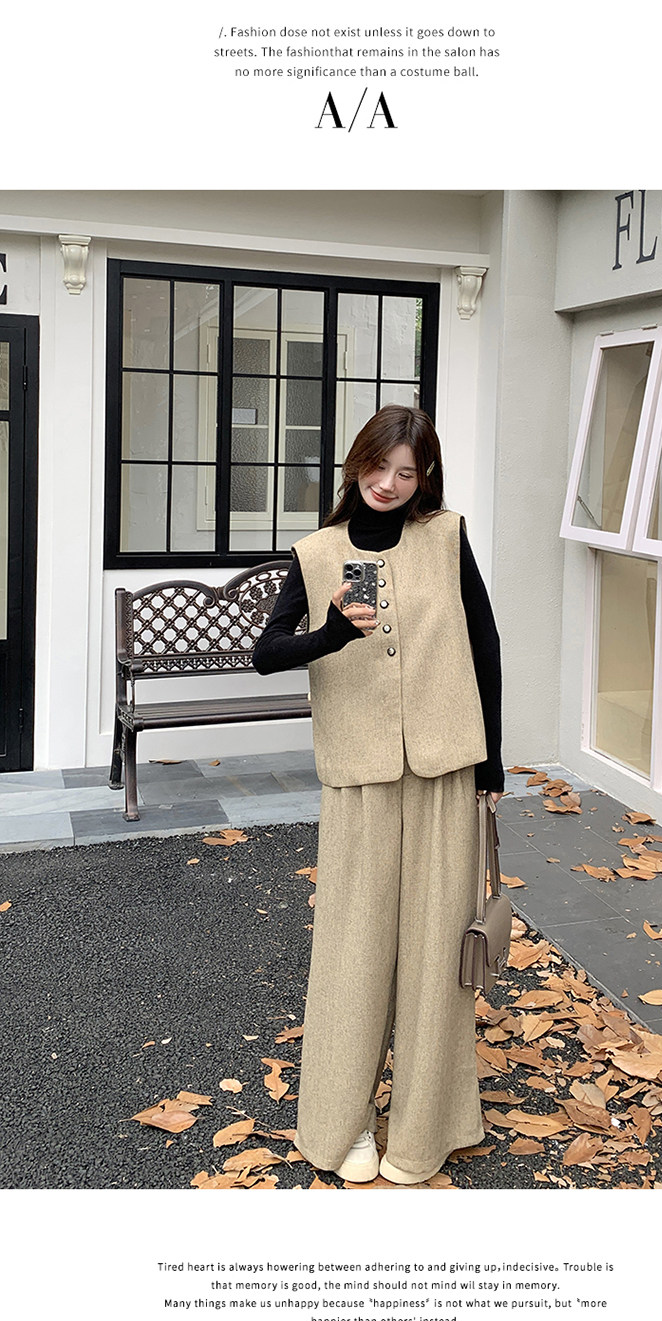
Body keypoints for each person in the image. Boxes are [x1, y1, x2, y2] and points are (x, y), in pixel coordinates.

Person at [252, 405, 504, 1185]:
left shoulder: (446, 537)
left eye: (407, 471)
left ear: (425, 477)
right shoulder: (318, 552)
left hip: (444, 768)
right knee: (352, 952)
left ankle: (427, 1127)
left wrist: (493, 765)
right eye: (378, 465)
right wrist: (330, 633)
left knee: (437, 957)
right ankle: (343, 1120)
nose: (388, 483)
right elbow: (266, 652)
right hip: (359, 775)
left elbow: (485, 644)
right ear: (356, 462)